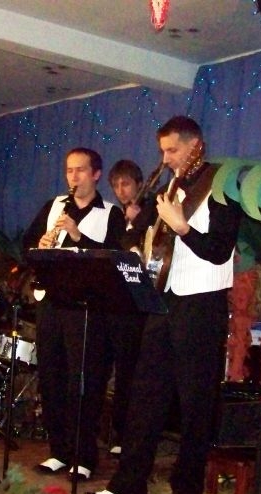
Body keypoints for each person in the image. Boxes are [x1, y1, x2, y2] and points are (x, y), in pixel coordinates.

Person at [85, 116, 242, 494]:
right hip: (164, 298)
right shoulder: (169, 188)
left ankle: (187, 488)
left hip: (202, 300)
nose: (166, 158)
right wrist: (138, 238)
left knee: (195, 399)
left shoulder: (223, 185)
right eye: (163, 151)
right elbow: (146, 240)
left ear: (195, 145)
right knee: (145, 394)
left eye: (172, 150)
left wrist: (183, 227)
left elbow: (219, 249)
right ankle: (129, 483)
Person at [22, 147, 125, 481]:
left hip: (87, 308)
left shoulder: (111, 214)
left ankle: (83, 456)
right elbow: (26, 248)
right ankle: (59, 451)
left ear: (96, 175)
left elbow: (114, 258)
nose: (73, 177)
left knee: (84, 381)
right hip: (51, 302)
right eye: (69, 170)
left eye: (80, 170)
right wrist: (40, 246)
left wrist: (79, 235)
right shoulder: (53, 206)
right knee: (51, 378)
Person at [102, 160, 158, 455]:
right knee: (117, 370)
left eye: (126, 184)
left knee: (132, 372)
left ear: (138, 183)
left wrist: (136, 223)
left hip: (140, 303)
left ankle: (128, 437)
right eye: (116, 185)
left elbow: (145, 250)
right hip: (118, 301)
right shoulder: (117, 215)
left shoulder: (150, 209)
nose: (121, 190)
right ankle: (116, 433)